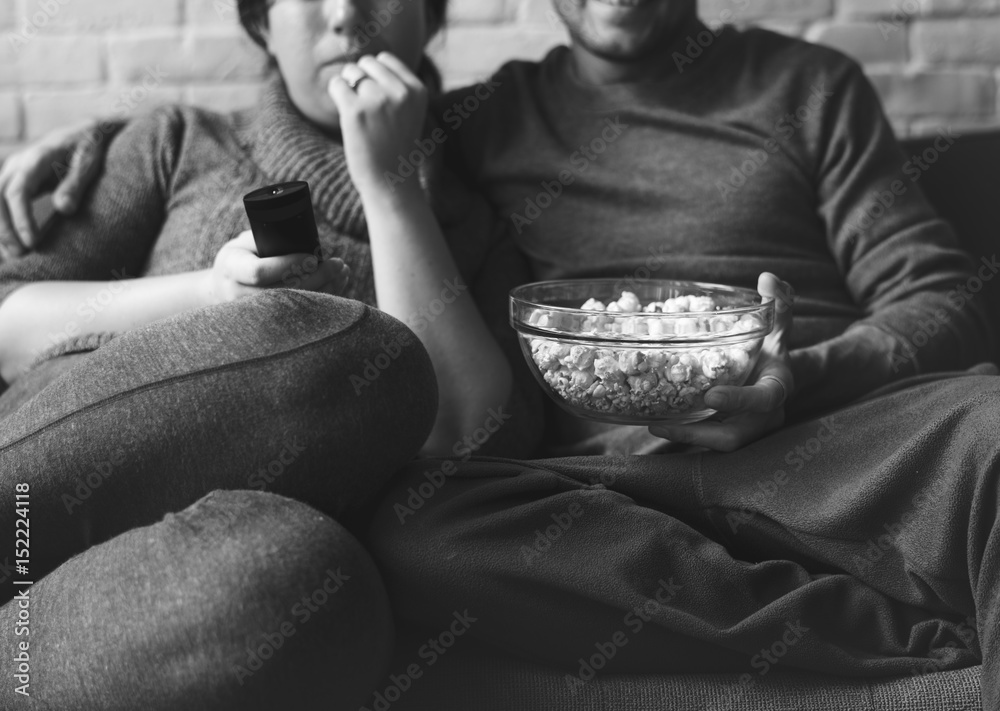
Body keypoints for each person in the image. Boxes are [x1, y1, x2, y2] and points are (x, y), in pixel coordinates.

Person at [8, 0, 1000, 708]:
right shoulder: (472, 124)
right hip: (609, 479)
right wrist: (101, 141)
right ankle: (888, 639)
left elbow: (941, 294)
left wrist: (805, 378)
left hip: (821, 435)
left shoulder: (804, 86)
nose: (349, 15)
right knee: (400, 504)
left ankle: (885, 631)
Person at [0, 0, 542, 708]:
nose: (347, 15)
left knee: (300, 584)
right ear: (261, 22)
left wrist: (391, 186)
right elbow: (8, 325)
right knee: (336, 353)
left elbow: (465, 435)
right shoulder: (180, 142)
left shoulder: (474, 228)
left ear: (431, 17)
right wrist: (212, 295)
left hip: (175, 574)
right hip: (37, 497)